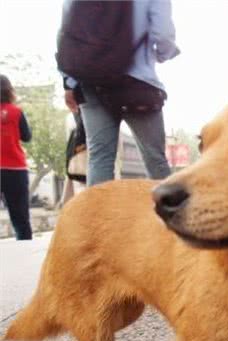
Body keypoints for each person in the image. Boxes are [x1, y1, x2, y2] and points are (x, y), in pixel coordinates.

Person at [61, 0, 180, 186]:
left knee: (99, 158)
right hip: (138, 84)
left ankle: (97, 214)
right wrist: (164, 53)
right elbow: (163, 33)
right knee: (155, 159)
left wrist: (69, 82)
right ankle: (166, 214)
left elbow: (67, 37)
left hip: (92, 83)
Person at [1, 74, 33, 240]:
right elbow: (26, 136)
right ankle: (25, 247)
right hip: (15, 169)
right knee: (20, 215)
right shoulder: (17, 112)